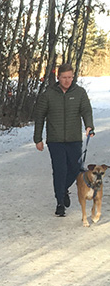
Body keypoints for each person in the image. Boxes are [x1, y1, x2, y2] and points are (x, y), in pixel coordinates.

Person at [34, 63, 95, 217]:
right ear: (58, 77)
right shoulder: (48, 94)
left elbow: (86, 110)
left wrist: (89, 126)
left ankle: (63, 190)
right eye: (64, 77)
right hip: (55, 140)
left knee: (76, 169)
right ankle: (60, 202)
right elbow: (39, 116)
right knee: (60, 170)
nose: (67, 80)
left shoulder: (80, 93)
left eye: (70, 77)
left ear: (73, 77)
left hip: (74, 139)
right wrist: (38, 138)